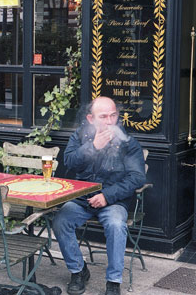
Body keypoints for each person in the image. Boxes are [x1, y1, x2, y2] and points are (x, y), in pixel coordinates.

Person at [52, 96, 146, 295]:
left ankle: (113, 282)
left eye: (113, 115)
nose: (110, 121)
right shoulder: (79, 136)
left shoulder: (128, 142)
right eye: (103, 116)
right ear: (90, 118)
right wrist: (93, 147)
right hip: (81, 198)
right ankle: (78, 270)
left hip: (113, 201)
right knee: (61, 221)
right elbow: (69, 162)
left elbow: (137, 178)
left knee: (115, 225)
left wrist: (106, 196)